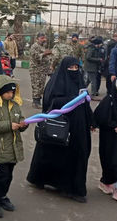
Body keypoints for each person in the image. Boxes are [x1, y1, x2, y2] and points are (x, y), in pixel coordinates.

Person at [26, 57, 93, 203]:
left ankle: (72, 188)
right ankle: (41, 178)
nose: (74, 71)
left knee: (78, 154)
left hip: (78, 128)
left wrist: (91, 121)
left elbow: (86, 104)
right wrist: (72, 99)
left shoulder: (80, 82)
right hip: (59, 125)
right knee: (51, 152)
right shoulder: (56, 82)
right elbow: (51, 102)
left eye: (77, 68)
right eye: (71, 68)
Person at [0, 75, 28, 218]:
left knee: (9, 175)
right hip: (1, 147)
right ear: (0, 91)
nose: (10, 94)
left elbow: (20, 119)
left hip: (13, 147)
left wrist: (23, 125)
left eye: (12, 92)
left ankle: (2, 196)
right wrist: (9, 125)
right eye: (7, 92)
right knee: (2, 175)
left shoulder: (15, 105)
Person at [29, 32, 53, 108]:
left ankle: (38, 101)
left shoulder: (42, 46)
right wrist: (44, 54)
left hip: (42, 70)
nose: (44, 40)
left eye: (44, 38)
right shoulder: (34, 46)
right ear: (37, 39)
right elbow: (35, 57)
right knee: (36, 86)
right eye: (42, 38)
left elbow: (46, 58)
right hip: (36, 70)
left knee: (41, 86)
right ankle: (35, 102)